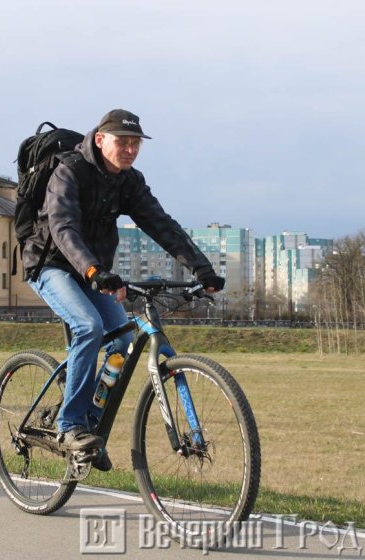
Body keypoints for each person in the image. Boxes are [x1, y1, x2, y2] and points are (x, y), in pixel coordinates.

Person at [21, 109, 225, 470]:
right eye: (122, 142)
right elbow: (63, 226)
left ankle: (89, 425)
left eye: (136, 143)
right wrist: (94, 269)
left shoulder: (129, 181)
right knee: (89, 326)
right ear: (100, 140)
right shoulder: (69, 170)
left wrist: (202, 267)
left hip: (95, 271)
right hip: (50, 264)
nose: (130, 149)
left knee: (122, 341)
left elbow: (160, 224)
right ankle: (70, 426)